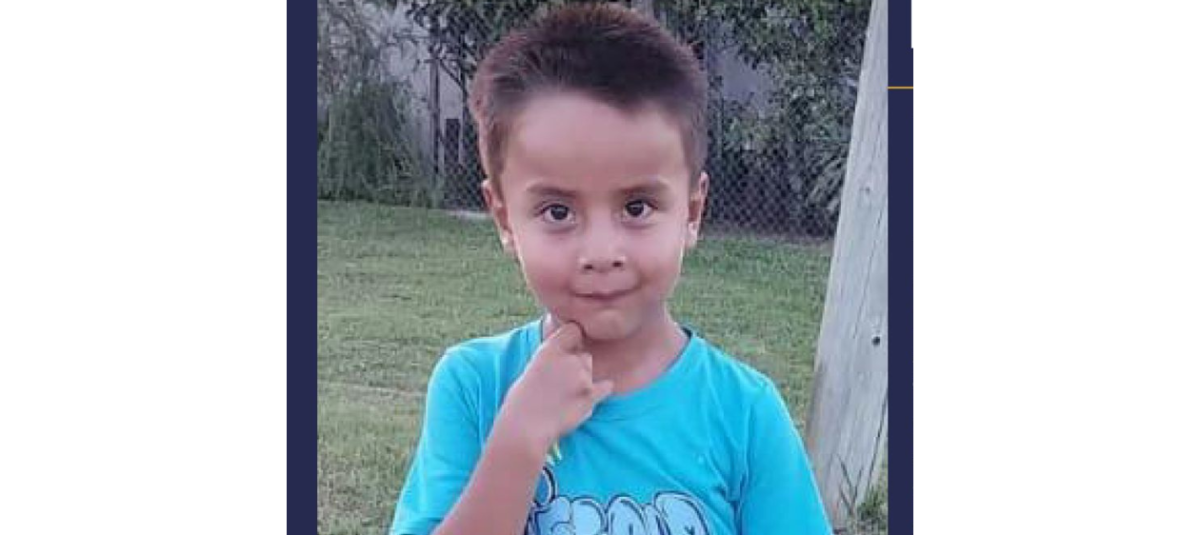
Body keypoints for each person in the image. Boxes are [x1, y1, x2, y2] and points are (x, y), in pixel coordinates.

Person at [390, 4, 831, 534]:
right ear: (504, 219)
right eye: (558, 212)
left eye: (637, 207)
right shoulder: (475, 387)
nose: (601, 252)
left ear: (692, 212)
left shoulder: (745, 414)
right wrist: (519, 438)